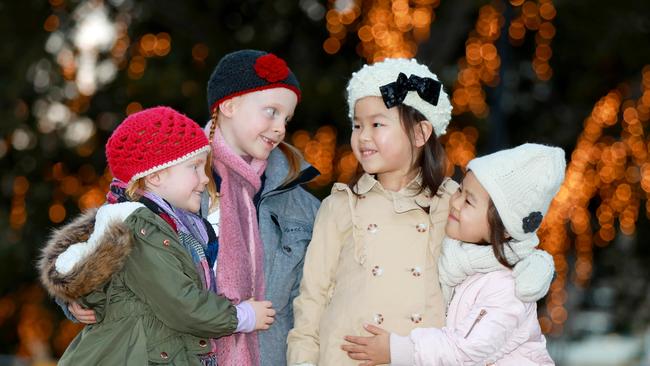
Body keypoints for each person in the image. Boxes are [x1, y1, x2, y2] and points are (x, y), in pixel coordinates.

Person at [39, 106, 275, 365]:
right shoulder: (141, 229)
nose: (203, 178)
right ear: (155, 176)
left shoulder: (174, 225)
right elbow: (180, 304)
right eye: (194, 167)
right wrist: (242, 316)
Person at [341, 143, 563, 366]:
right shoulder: (459, 263)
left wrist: (395, 350)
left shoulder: (506, 287)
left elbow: (463, 350)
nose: (455, 202)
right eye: (460, 190)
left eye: (468, 201)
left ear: (505, 228)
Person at [204, 49, 321, 366]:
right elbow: (120, 251)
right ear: (228, 105)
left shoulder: (304, 207)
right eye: (271, 111)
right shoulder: (176, 182)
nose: (281, 127)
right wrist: (81, 296)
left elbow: (313, 304)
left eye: (286, 118)